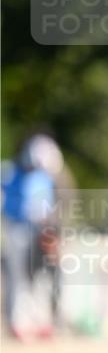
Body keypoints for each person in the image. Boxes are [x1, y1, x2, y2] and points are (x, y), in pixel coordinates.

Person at [1, 133, 64, 340]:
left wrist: (51, 232)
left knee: (39, 277)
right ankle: (18, 322)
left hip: (39, 231)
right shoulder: (8, 173)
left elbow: (48, 207)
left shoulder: (44, 178)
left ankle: (40, 321)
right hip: (16, 229)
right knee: (17, 277)